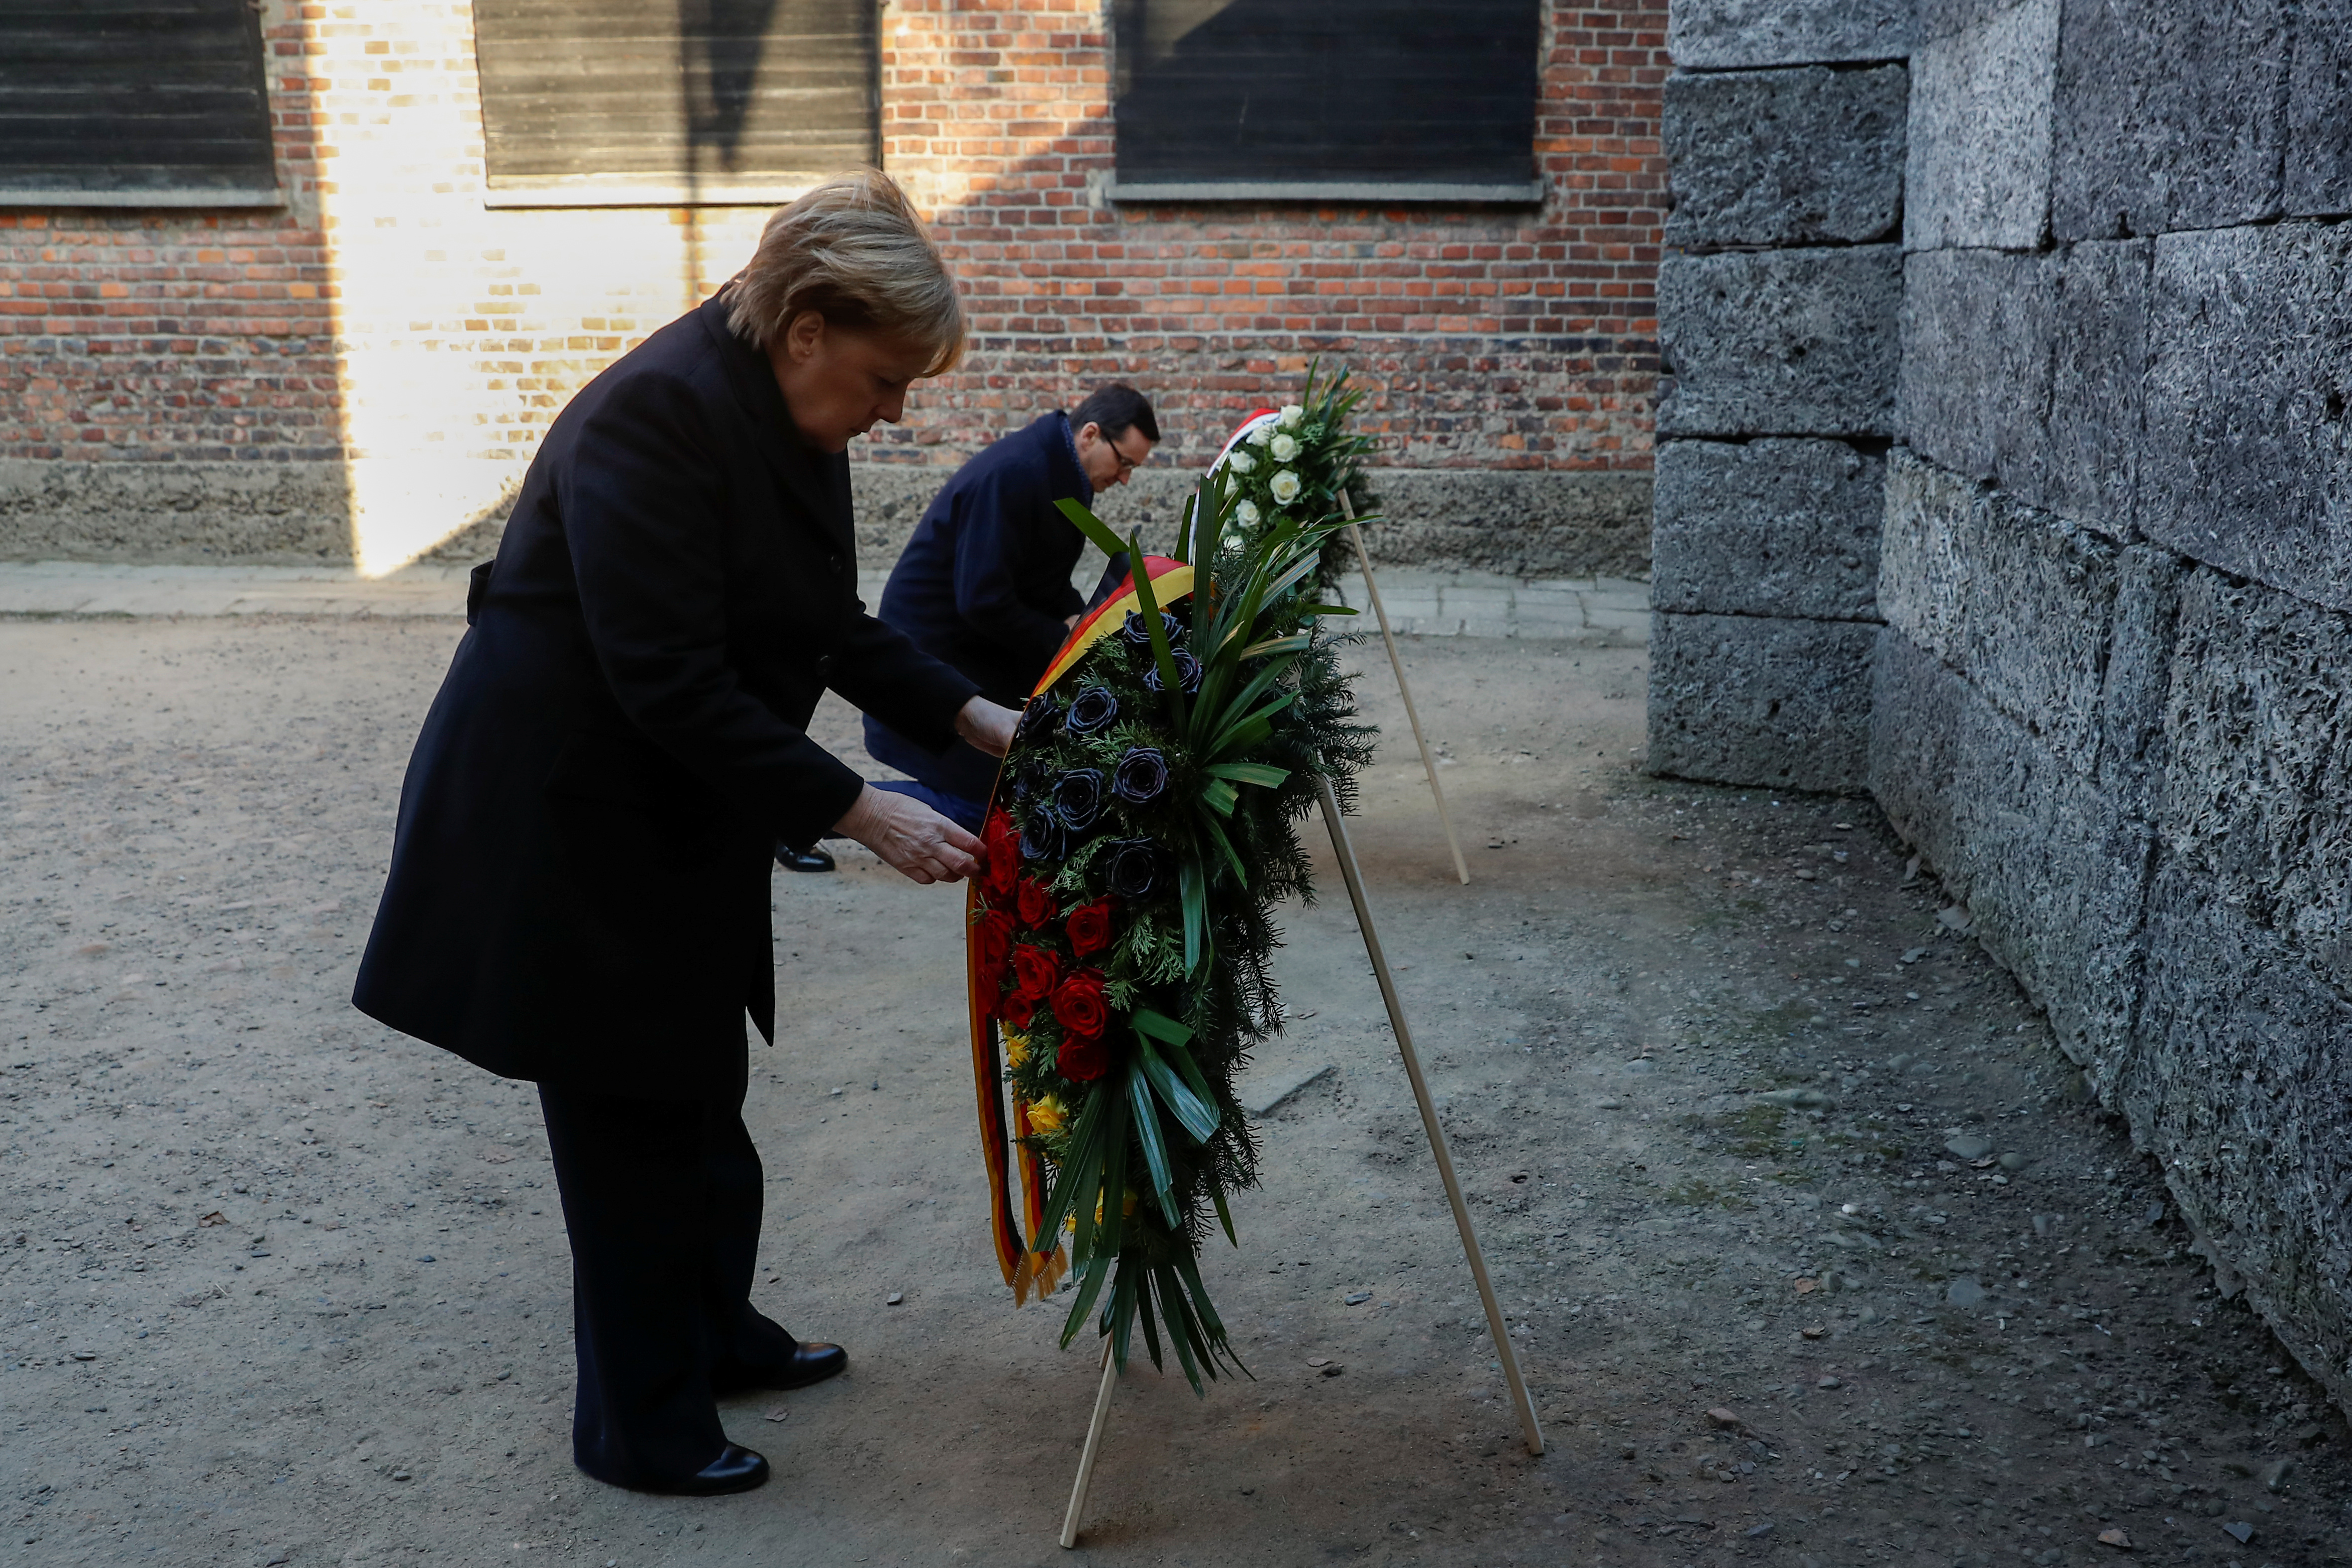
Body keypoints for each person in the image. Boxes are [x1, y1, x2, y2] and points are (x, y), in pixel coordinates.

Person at [351, 171, 1017, 1499]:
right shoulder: (657, 415)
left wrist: (980, 718)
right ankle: (641, 1425)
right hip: (566, 808)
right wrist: (863, 810)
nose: (892, 414)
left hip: (670, 794)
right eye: (886, 380)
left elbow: (831, 627)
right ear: (808, 329)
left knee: (699, 1090)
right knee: (630, 1123)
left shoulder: (786, 417)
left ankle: (718, 1334)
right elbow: (666, 678)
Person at [857, 383, 1159, 830]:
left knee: (1014, 789)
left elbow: (1044, 579)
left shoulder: (1063, 470)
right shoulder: (1019, 471)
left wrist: (1083, 621)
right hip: (934, 648)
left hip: (977, 644)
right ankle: (818, 809)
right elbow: (982, 599)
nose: (1125, 479)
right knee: (985, 807)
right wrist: (1063, 640)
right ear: (1090, 435)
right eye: (1125, 463)